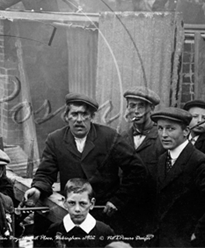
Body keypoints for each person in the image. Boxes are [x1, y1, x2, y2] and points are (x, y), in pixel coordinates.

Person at [23, 93, 147, 233]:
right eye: (74, 114)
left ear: (92, 117)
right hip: (72, 214)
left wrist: (117, 200)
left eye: (84, 115)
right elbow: (46, 172)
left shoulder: (109, 137)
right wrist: (38, 188)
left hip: (104, 215)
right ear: (66, 116)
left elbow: (137, 170)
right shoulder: (55, 140)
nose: (79, 120)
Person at [150, 107, 205, 247]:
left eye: (170, 129)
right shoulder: (163, 159)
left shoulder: (199, 161)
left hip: (187, 240)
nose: (163, 134)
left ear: (186, 131)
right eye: (160, 128)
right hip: (162, 238)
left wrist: (197, 234)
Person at [120, 87, 164, 241]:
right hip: (125, 211)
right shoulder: (122, 138)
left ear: (151, 108)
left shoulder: (162, 138)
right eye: (132, 106)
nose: (136, 111)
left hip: (152, 211)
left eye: (141, 106)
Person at [38, 178, 115, 248]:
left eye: (82, 203)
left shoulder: (104, 231)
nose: (77, 209)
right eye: (72, 203)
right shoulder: (55, 229)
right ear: (65, 203)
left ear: (92, 204)